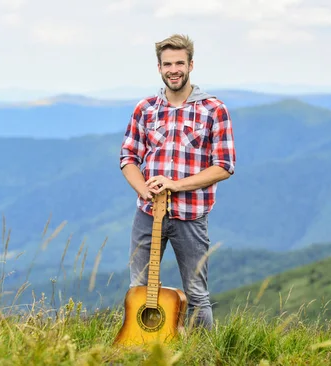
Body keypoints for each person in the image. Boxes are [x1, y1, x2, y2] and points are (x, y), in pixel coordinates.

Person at [119, 33, 236, 331]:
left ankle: (206, 357)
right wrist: (143, 189)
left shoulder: (213, 109)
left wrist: (175, 185)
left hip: (191, 216)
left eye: (180, 63)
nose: (174, 69)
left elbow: (224, 166)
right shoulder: (145, 109)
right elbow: (128, 157)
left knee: (197, 295)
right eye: (167, 63)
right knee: (138, 289)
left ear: (191, 65)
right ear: (159, 68)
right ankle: (138, 351)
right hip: (147, 215)